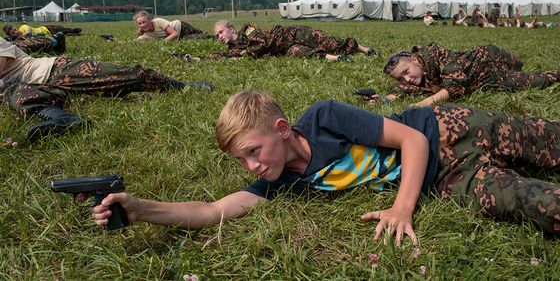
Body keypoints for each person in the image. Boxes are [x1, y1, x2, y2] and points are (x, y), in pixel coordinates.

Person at [91, 90, 560, 241]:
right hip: (449, 177)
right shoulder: (280, 183)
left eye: (253, 151)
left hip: (447, 128)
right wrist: (140, 209)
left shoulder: (324, 118)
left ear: (280, 128)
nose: (252, 166)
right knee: (535, 203)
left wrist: (402, 210)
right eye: (241, 160)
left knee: (548, 140)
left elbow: (413, 139)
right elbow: (211, 211)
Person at [0, 37, 214, 142]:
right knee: (16, 93)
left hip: (53, 71)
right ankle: (63, 120)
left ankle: (182, 86)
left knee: (130, 75)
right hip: (30, 87)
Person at [363, 42, 560, 107]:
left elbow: (454, 88)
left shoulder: (438, 58)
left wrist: (421, 104)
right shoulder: (418, 73)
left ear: (415, 60)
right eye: (401, 78)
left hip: (489, 64)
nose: (407, 79)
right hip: (483, 81)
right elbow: (405, 89)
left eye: (406, 72)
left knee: (537, 80)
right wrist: (383, 99)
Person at [208, 20, 378, 62]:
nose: (220, 36)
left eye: (221, 32)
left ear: (230, 28)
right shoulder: (233, 49)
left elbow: (261, 44)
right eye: (217, 36)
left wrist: (244, 54)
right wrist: (196, 58)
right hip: (283, 50)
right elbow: (223, 55)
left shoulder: (247, 28)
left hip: (290, 34)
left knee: (328, 41)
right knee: (300, 53)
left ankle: (364, 49)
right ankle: (338, 58)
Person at [133, 11, 213, 41]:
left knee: (202, 35)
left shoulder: (157, 21)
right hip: (179, 38)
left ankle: (215, 36)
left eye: (144, 22)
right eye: (140, 23)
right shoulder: (146, 35)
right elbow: (136, 41)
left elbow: (174, 33)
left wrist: (164, 42)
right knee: (196, 38)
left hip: (181, 27)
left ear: (149, 20)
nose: (143, 25)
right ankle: (205, 35)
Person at [3, 24, 81, 40]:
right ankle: (77, 34)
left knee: (66, 30)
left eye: (15, 30)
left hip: (47, 29)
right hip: (50, 35)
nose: (16, 32)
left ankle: (74, 30)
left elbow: (28, 29)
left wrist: (26, 35)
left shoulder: (22, 28)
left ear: (15, 27)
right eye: (13, 33)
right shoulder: (18, 38)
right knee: (68, 35)